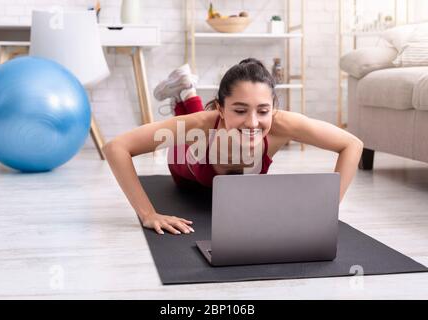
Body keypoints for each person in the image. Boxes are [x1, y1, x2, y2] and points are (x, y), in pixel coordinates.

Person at [103, 58, 364, 236]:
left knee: (224, 124)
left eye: (263, 110)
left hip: (215, 130)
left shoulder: (282, 124)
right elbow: (116, 148)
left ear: (273, 107)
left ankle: (187, 93)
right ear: (220, 107)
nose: (253, 122)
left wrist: (328, 210)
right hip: (188, 172)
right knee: (196, 123)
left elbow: (352, 144)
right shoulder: (200, 125)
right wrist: (148, 214)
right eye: (240, 109)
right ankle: (185, 94)